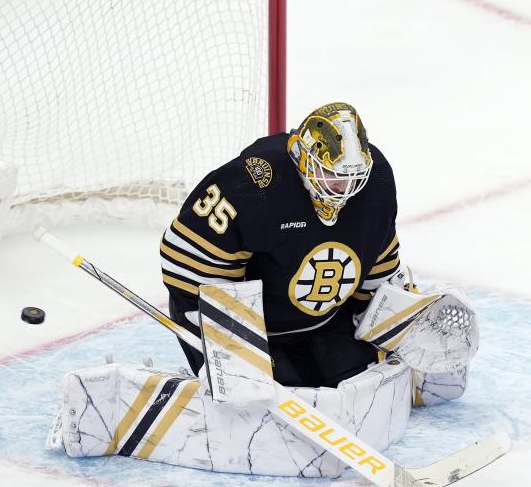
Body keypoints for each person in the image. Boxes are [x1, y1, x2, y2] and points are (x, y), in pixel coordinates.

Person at [160, 102, 401, 389]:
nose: (343, 188)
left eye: (352, 177)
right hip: (247, 322)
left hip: (321, 322)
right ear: (303, 157)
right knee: (258, 400)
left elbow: (379, 259)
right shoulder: (254, 184)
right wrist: (234, 345)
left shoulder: (377, 182)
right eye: (332, 174)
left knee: (365, 385)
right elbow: (184, 263)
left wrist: (387, 322)